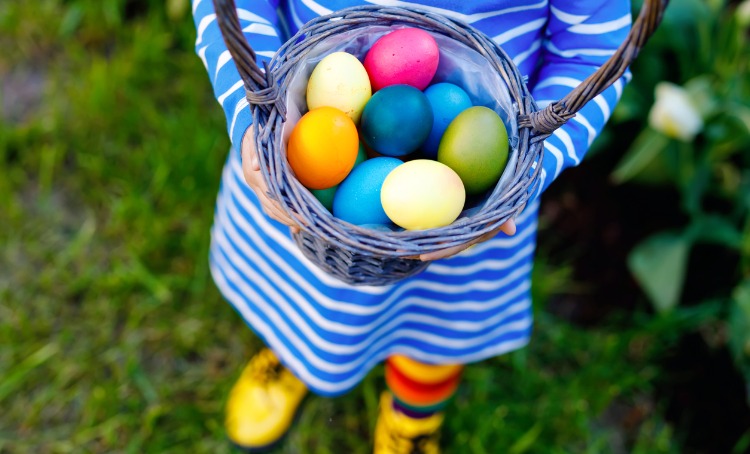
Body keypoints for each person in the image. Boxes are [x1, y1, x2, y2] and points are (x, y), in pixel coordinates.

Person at [192, 0, 631, 452]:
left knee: (432, 330)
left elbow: (594, 50)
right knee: (300, 298)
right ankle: (293, 355)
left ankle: (413, 416)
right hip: (298, 174)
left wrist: (525, 168)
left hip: (468, 214)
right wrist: (255, 112)